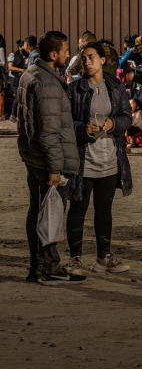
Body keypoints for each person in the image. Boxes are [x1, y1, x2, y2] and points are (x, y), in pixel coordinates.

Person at [17, 30, 85, 283]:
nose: (69, 55)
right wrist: (55, 169)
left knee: (37, 211)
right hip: (47, 161)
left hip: (32, 157)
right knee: (50, 214)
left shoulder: (31, 74)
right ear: (53, 54)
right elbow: (48, 131)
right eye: (66, 51)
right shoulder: (46, 83)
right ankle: (49, 268)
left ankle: (37, 267)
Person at [66, 41, 133, 274]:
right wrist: (82, 128)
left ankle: (104, 257)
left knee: (104, 210)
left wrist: (113, 123)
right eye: (83, 58)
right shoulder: (75, 89)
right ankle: (75, 259)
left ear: (103, 60)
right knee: (77, 209)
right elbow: (65, 124)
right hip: (83, 160)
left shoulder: (115, 86)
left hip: (110, 160)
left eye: (91, 57)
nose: (86, 61)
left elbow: (127, 117)